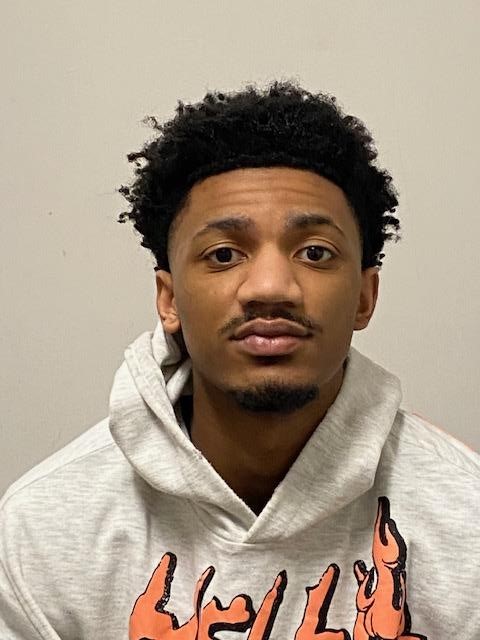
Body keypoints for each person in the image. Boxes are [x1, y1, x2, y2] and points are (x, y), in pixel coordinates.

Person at [1, 81, 478, 640]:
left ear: (365, 298)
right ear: (169, 300)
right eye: (224, 254)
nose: (270, 287)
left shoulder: (467, 520)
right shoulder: (42, 530)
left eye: (315, 252)